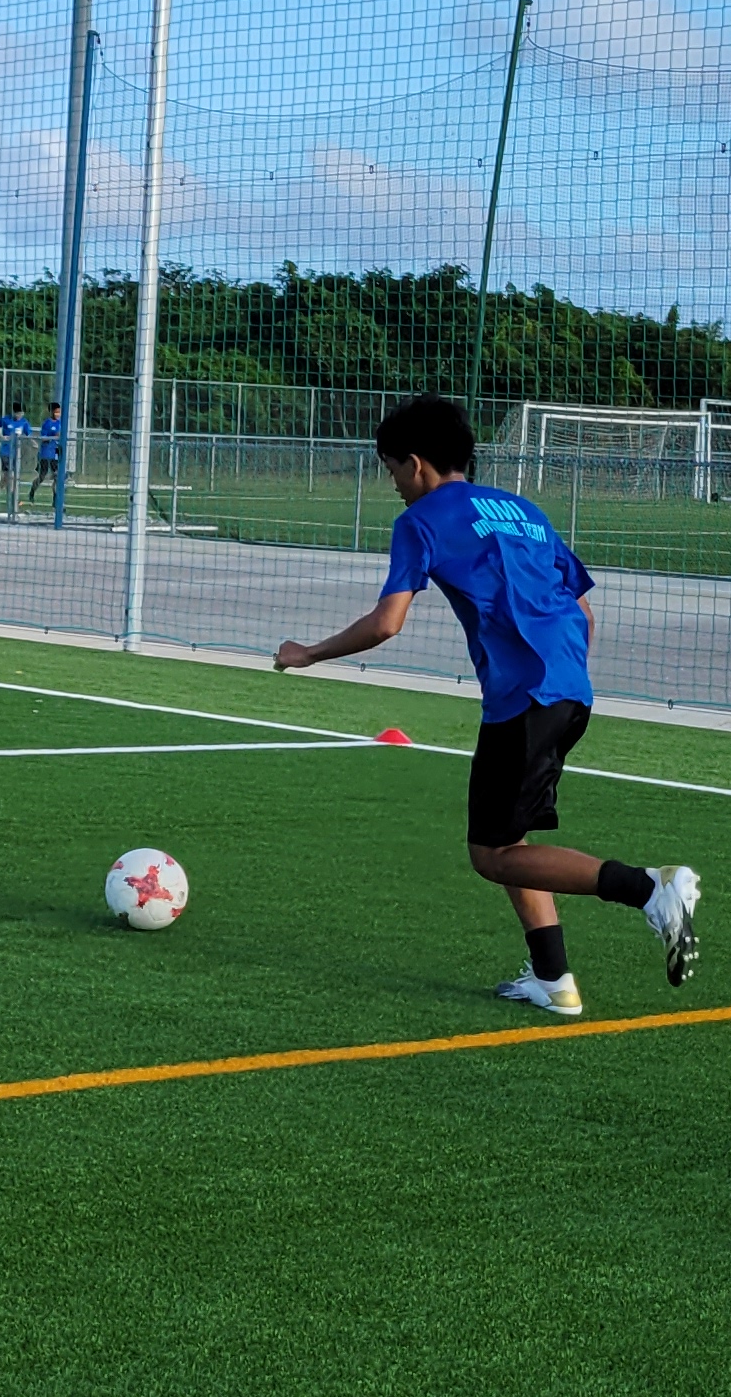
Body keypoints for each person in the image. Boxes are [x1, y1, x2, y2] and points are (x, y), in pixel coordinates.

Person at [273, 393, 698, 1017]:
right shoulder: (522, 508)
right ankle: (553, 980)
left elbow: (388, 622)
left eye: (391, 470)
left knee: (490, 854)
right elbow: (581, 607)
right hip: (568, 689)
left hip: (522, 698)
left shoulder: (420, 521)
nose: (393, 485)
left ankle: (651, 890)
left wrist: (307, 652)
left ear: (415, 464)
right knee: (511, 840)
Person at [31, 399, 67, 513]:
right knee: (42, 476)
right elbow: (44, 438)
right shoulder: (47, 423)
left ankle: (56, 501)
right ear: (51, 412)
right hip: (46, 453)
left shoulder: (61, 423)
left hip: (56, 453)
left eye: (59, 412)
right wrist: (53, 435)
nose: (58, 414)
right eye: (56, 412)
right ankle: (32, 491)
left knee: (57, 476)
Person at [0, 405, 30, 519]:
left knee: (8, 479)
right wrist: (1, 436)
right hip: (5, 452)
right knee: (10, 476)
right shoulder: (5, 420)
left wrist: (32, 443)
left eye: (22, 414)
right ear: (14, 413)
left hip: (16, 453)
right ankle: (13, 501)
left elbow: (28, 434)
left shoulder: (24, 422)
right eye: (18, 414)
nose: (20, 416)